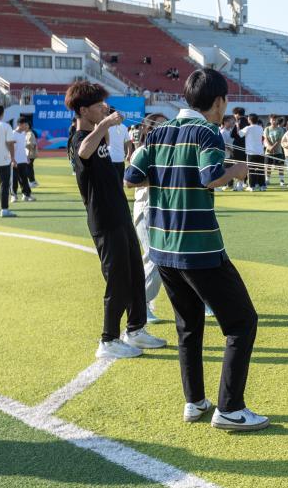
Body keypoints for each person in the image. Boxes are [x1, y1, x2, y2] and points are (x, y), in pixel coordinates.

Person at [126, 69, 267, 432]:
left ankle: (195, 401)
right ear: (218, 102)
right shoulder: (207, 132)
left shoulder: (158, 132)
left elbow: (131, 178)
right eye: (225, 102)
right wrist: (237, 170)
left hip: (162, 247)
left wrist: (170, 176)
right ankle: (230, 409)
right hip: (199, 247)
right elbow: (210, 177)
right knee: (242, 323)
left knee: (188, 326)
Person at [65, 81, 165, 360]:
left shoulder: (98, 136)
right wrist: (104, 124)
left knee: (135, 272)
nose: (104, 109)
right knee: (118, 279)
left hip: (119, 213)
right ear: (83, 111)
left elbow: (104, 147)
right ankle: (108, 340)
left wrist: (105, 125)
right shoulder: (78, 138)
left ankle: (136, 329)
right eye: (98, 106)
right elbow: (84, 151)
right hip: (104, 218)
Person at [131, 112, 169, 325]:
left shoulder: (170, 152)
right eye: (156, 126)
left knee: (167, 258)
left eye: (165, 126)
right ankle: (140, 305)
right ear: (147, 129)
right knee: (154, 258)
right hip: (146, 209)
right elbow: (130, 180)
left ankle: (199, 302)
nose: (161, 130)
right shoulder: (142, 151)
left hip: (164, 209)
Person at [238, 113, 266, 191]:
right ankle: (262, 186)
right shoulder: (260, 128)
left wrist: (237, 126)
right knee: (260, 169)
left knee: (251, 169)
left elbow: (239, 134)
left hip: (251, 152)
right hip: (260, 151)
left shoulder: (248, 128)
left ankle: (251, 186)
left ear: (249, 120)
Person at [10, 118, 35, 203]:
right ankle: (13, 195)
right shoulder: (13, 134)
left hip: (23, 160)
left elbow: (24, 147)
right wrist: (12, 159)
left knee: (24, 179)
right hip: (15, 161)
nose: (27, 126)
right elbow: (10, 148)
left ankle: (26, 195)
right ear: (20, 124)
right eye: (25, 125)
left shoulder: (24, 134)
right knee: (14, 179)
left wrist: (27, 156)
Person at [108, 118, 133, 182]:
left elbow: (129, 141)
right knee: (119, 182)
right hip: (119, 158)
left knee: (110, 182)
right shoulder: (124, 127)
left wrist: (129, 154)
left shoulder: (107, 126)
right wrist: (129, 154)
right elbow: (129, 141)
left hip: (111, 158)